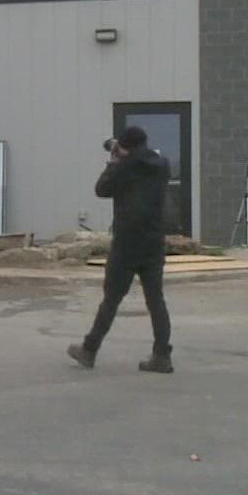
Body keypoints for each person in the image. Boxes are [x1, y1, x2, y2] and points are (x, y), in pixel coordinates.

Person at [69, 125, 173, 372]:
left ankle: (89, 349)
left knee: (112, 299)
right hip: (154, 243)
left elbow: (101, 190)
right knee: (156, 300)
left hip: (127, 244)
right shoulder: (163, 165)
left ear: (124, 147)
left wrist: (115, 160)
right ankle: (161, 356)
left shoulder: (124, 168)